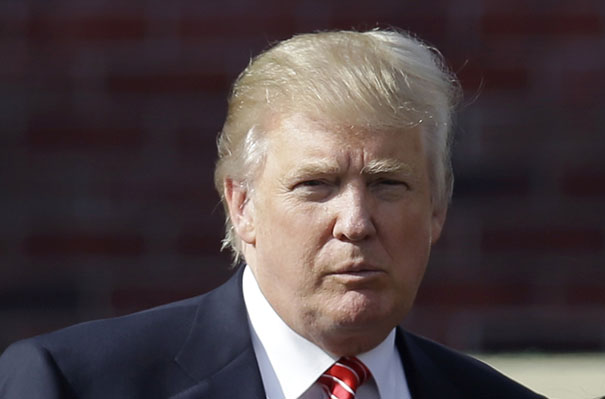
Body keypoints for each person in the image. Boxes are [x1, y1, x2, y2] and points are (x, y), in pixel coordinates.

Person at [0, 29, 545, 398]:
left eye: (388, 184)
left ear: (437, 209)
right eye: (316, 185)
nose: (355, 221)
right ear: (242, 206)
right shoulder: (74, 384)